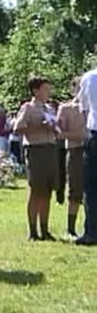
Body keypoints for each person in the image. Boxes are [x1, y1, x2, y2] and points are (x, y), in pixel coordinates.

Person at [15, 77, 60, 241]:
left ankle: (45, 229)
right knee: (36, 190)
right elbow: (18, 128)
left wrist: (54, 128)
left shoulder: (50, 109)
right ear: (36, 90)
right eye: (45, 89)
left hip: (50, 149)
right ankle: (33, 231)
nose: (48, 92)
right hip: (35, 150)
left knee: (47, 190)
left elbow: (58, 130)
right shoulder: (28, 108)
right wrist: (39, 126)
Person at [57, 80, 86, 239]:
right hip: (75, 151)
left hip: (92, 150)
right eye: (78, 86)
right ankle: (71, 228)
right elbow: (59, 133)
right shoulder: (66, 108)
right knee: (75, 190)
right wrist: (81, 136)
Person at [76, 65, 97, 245]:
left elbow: (83, 108)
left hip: (95, 134)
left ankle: (92, 232)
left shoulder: (89, 77)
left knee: (91, 187)